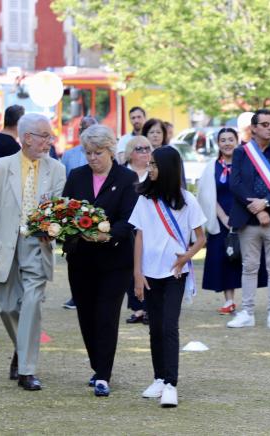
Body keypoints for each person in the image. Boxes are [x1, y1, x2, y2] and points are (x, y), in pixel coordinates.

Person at [0, 113, 66, 391]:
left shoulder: (57, 170)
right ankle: (22, 347)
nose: (50, 142)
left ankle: (27, 369)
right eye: (45, 136)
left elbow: (58, 210)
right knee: (6, 307)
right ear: (28, 138)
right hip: (5, 245)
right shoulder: (1, 167)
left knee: (31, 303)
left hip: (37, 245)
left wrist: (53, 229)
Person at [62, 124, 139, 396]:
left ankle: (104, 374)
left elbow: (129, 219)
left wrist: (108, 236)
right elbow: (66, 211)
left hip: (114, 260)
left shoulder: (127, 178)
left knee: (106, 316)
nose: (92, 158)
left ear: (110, 151)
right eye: (88, 153)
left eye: (97, 153)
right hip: (81, 258)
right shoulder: (76, 176)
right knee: (86, 316)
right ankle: (98, 365)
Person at [130, 146, 206, 407]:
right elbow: (138, 236)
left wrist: (186, 257)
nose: (149, 168)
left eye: (153, 165)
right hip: (149, 273)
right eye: (148, 164)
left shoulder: (187, 200)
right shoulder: (144, 199)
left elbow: (201, 238)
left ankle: (171, 383)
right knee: (155, 327)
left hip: (175, 273)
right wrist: (137, 273)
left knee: (169, 326)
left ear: (168, 169)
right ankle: (159, 378)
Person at [227, 109, 270, 330]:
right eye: (264, 124)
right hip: (248, 218)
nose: (269, 128)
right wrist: (257, 209)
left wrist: (265, 204)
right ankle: (247, 312)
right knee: (249, 267)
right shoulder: (241, 153)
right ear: (253, 128)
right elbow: (235, 185)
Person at [198, 128, 267, 314]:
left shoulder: (247, 163)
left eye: (231, 139)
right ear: (218, 143)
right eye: (223, 140)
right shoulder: (212, 167)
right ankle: (229, 301)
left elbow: (254, 190)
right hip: (222, 220)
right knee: (226, 259)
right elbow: (207, 196)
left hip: (245, 217)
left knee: (248, 260)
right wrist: (224, 218)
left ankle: (248, 301)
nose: (227, 143)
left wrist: (240, 216)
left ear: (237, 141)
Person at [60, 116, 98, 311]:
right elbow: (64, 185)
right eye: (84, 129)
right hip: (75, 215)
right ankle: (76, 295)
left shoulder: (105, 155)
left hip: (98, 214)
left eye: (92, 130)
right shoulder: (69, 156)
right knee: (74, 256)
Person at [121, 136, 153, 324]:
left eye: (147, 148)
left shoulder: (154, 172)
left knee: (149, 267)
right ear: (130, 153)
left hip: (151, 227)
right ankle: (138, 308)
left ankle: (151, 308)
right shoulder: (124, 173)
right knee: (131, 267)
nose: (145, 152)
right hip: (129, 227)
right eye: (139, 149)